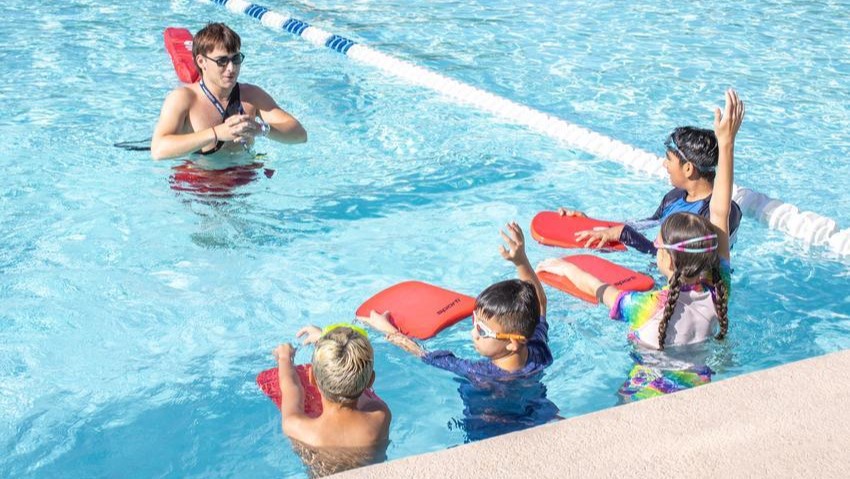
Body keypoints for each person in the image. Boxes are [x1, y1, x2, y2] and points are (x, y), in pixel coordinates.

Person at [538, 89, 744, 397]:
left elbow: (598, 289)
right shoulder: (719, 289)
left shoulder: (646, 306)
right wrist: (727, 143)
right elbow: (720, 209)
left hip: (645, 391)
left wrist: (564, 266)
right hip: (699, 387)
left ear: (666, 260)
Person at [359, 222, 558, 441]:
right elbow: (539, 304)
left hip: (484, 437)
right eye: (475, 323)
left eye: (481, 330)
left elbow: (419, 353)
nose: (472, 333)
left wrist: (386, 328)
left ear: (512, 342)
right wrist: (521, 261)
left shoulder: (477, 372)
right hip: (539, 418)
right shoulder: (539, 351)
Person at [557, 104, 743, 255]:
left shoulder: (719, 215)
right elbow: (645, 224)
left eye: (669, 159)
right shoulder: (674, 197)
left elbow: (681, 259)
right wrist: (594, 224)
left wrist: (625, 235)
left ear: (688, 169)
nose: (664, 164)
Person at [151, 23, 306, 160]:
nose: (231, 68)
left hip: (245, 178)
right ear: (201, 61)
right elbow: (158, 150)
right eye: (222, 61)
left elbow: (300, 135)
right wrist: (216, 133)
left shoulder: (251, 96)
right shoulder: (184, 99)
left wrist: (261, 129)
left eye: (236, 59)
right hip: (199, 184)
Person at [272, 324, 391, 477]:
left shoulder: (296, 427)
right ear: (370, 381)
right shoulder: (380, 416)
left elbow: (291, 386)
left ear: (312, 378)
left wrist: (284, 358)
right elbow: (357, 387)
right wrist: (325, 342)